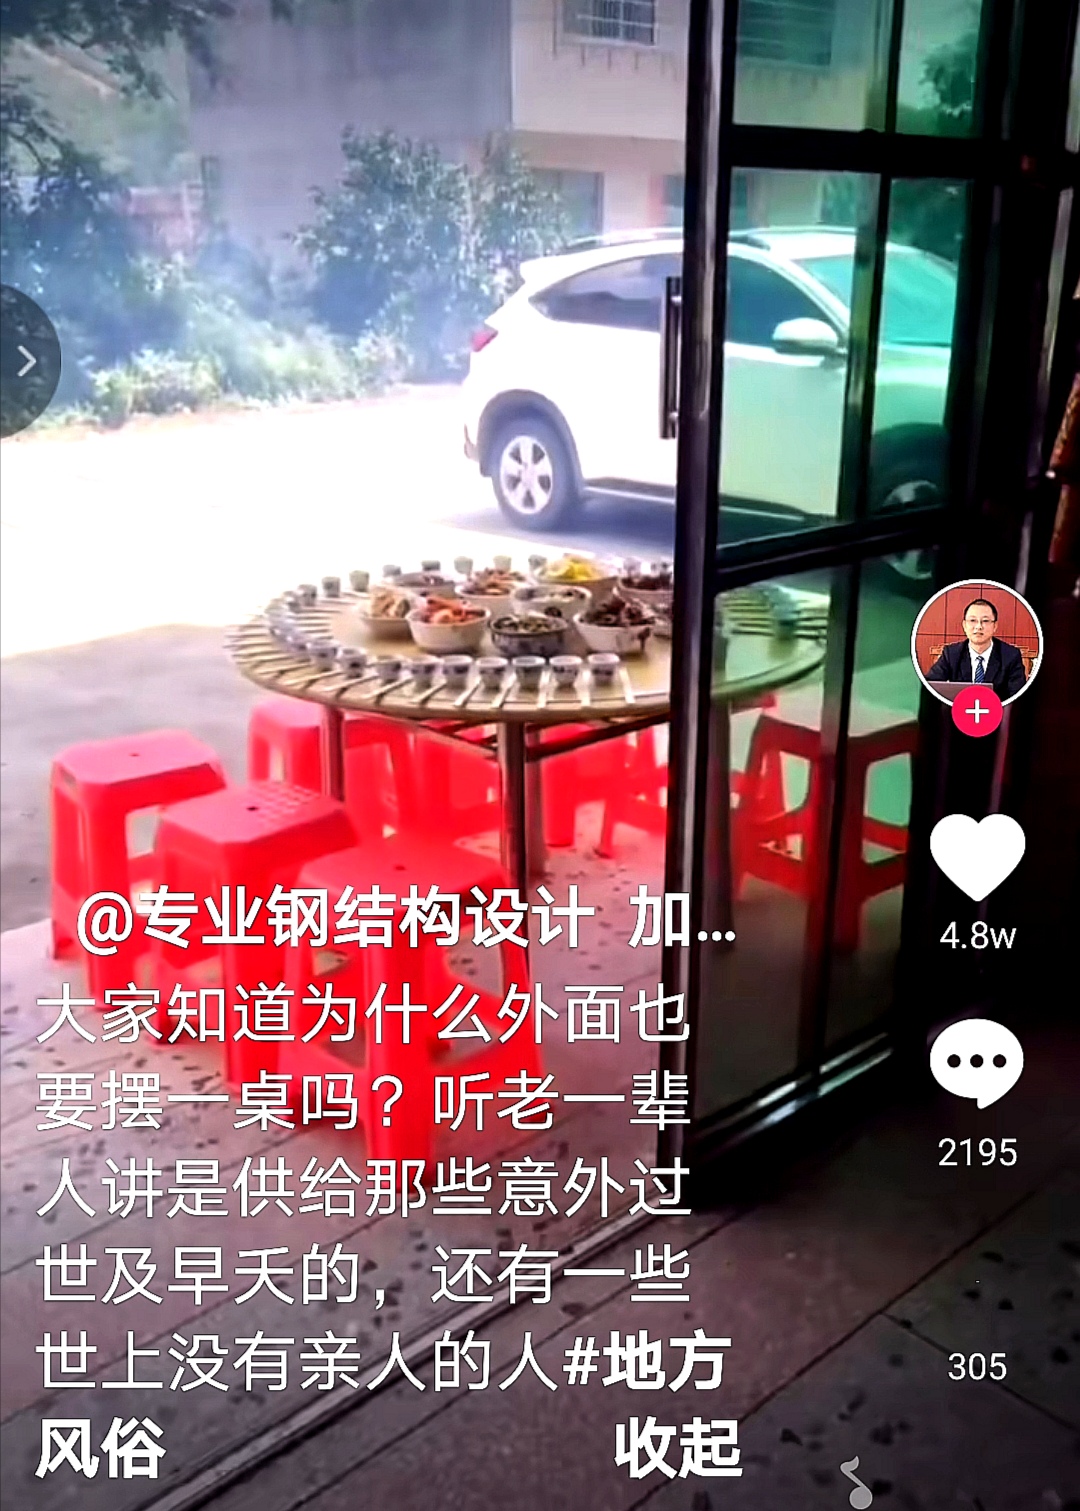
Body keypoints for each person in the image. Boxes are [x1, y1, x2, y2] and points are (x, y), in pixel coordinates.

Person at [926, 597, 1028, 699]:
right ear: (964, 625)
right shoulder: (951, 654)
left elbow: (1017, 696)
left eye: (985, 621)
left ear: (995, 626)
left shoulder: (1011, 655)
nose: (979, 626)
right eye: (972, 620)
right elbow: (930, 686)